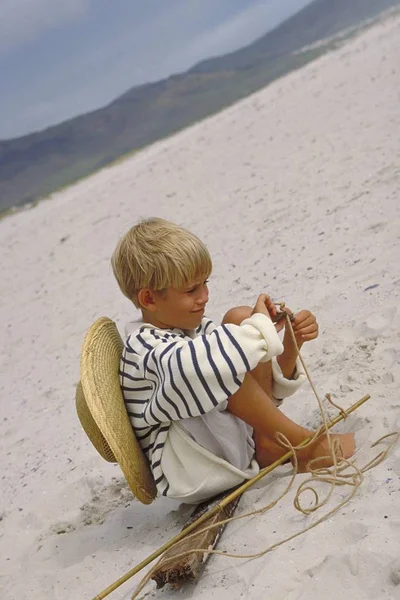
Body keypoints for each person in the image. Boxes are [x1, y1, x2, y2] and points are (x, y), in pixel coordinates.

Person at [111, 217, 355, 503]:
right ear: (150, 300)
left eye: (205, 284)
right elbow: (204, 370)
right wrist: (260, 329)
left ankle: (268, 442)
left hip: (224, 442)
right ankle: (305, 446)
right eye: (191, 290)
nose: (204, 297)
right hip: (192, 468)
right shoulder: (143, 347)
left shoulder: (192, 331)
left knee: (239, 319)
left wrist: (290, 342)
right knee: (219, 362)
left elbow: (262, 402)